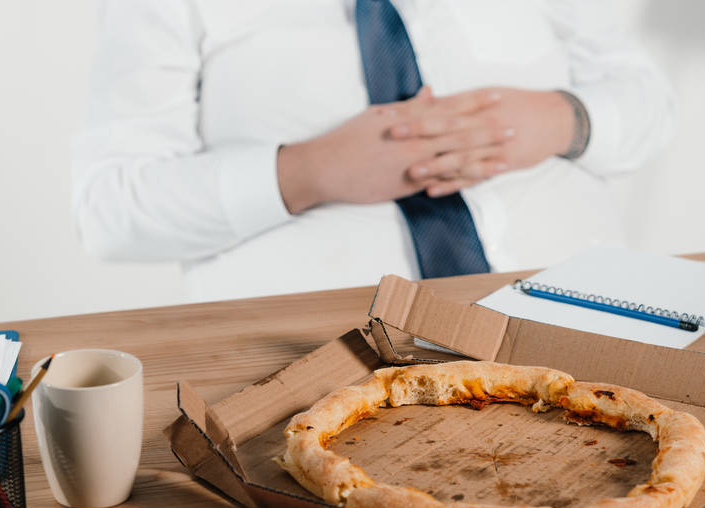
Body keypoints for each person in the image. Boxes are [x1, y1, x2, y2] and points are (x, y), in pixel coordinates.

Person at [73, 0, 674, 302]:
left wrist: (563, 119)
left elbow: (649, 104)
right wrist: (307, 172)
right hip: (314, 365)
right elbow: (109, 211)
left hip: (583, 311)